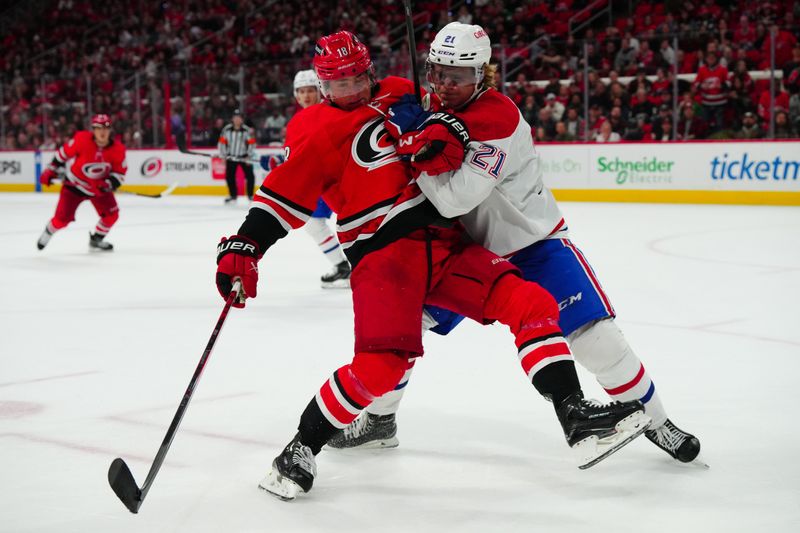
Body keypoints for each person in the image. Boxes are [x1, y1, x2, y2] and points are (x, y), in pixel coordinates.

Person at [214, 30, 649, 501]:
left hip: (446, 244)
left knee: (530, 301)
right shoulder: (312, 129)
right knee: (380, 368)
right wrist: (246, 245)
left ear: (371, 72)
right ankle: (299, 450)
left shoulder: (402, 90)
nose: (351, 90)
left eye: (358, 78)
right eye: (338, 85)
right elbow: (281, 199)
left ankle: (574, 414)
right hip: (384, 259)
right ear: (322, 86)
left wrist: (441, 134)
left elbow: (452, 122)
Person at [328, 22, 701, 466]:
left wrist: (415, 152)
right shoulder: (431, 104)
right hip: (466, 252)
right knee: (399, 332)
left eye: (459, 76)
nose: (446, 85)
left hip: (532, 245)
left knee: (595, 338)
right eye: (439, 73)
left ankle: (658, 423)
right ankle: (379, 421)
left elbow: (454, 200)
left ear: (482, 74)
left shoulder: (496, 118)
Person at [290, 69, 351, 288]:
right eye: (302, 91)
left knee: (354, 223)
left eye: (310, 90)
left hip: (340, 179)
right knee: (314, 223)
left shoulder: (328, 112)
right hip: (323, 183)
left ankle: (354, 267)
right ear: (296, 95)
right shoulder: (300, 119)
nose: (306, 95)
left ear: (319, 91)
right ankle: (344, 267)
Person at [36, 114, 127, 251]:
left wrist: (109, 184)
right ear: (93, 130)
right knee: (61, 221)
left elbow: (119, 173)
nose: (102, 131)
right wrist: (51, 169)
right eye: (98, 128)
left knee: (111, 215)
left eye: (105, 128)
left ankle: (96, 240)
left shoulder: (118, 149)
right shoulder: (82, 140)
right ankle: (48, 232)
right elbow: (63, 153)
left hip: (98, 189)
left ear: (110, 130)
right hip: (74, 186)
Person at [218, 109, 256, 204]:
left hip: (244, 157)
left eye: (239, 118)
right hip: (231, 156)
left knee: (250, 176)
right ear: (232, 119)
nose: (237, 119)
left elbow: (252, 144)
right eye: (235, 117)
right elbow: (222, 143)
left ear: (242, 119)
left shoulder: (247, 130)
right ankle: (233, 196)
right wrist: (223, 156)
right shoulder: (227, 129)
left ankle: (250, 195)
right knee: (229, 176)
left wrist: (249, 156)